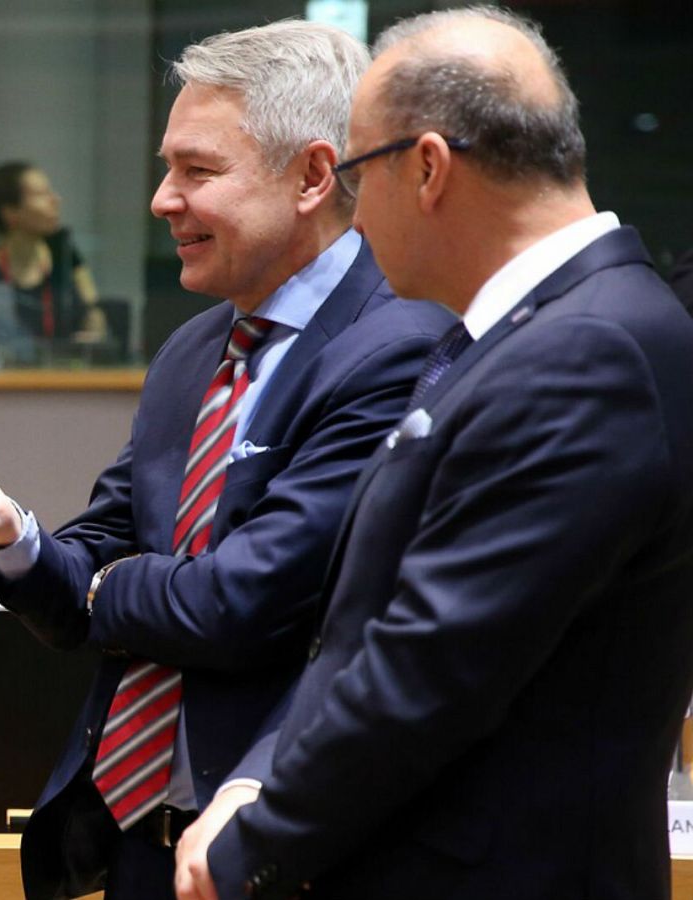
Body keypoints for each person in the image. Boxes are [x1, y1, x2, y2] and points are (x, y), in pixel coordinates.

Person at [0, 21, 452, 900]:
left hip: (289, 850)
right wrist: (7, 530)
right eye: (166, 167)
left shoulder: (401, 347)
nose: (161, 199)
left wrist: (106, 587)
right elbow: (87, 572)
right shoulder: (193, 349)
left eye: (197, 170)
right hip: (134, 841)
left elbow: (244, 600)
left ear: (310, 175)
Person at [174, 9, 693, 900]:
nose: (351, 210)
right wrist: (259, 775)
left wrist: (253, 843)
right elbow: (366, 624)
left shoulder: (586, 351)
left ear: (426, 167)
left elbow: (434, 662)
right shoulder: (523, 334)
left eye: (357, 173)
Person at [0, 161, 106, 343]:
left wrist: (93, 334)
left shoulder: (65, 256)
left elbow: (94, 314)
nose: (55, 200)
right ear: (10, 212)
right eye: (41, 194)